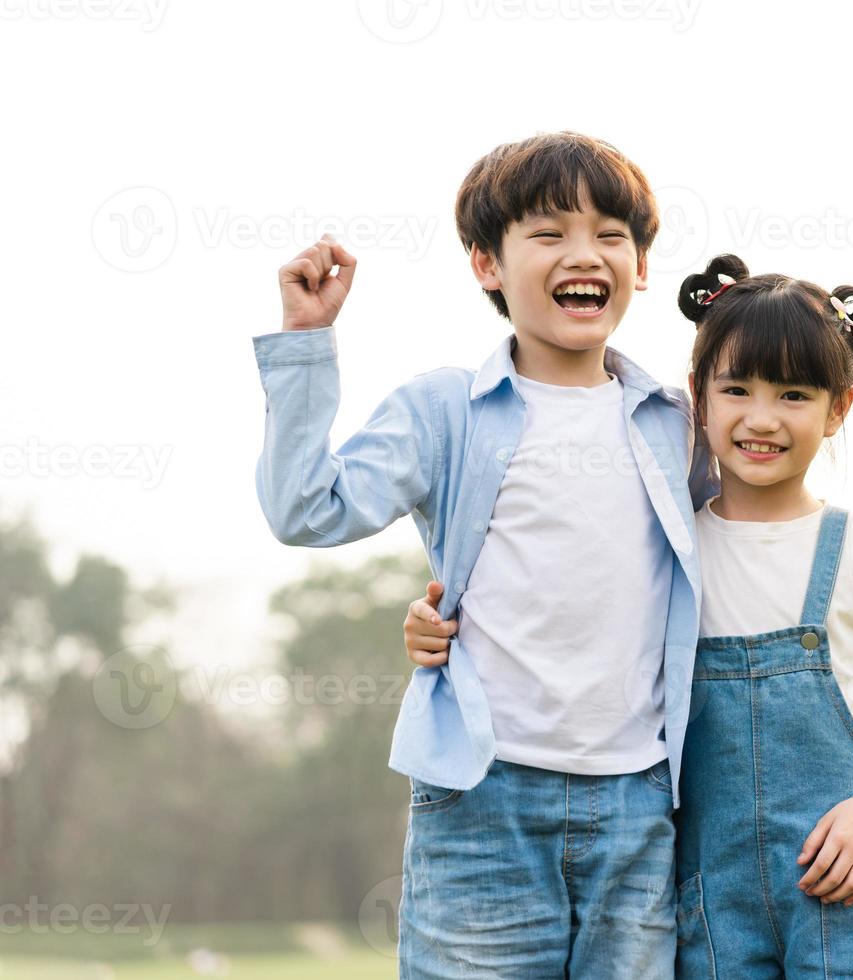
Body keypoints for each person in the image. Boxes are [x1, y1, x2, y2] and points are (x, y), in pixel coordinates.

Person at [404, 253, 853, 978]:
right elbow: (562, 606)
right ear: (696, 395)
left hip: (850, 882)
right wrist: (436, 623)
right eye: (737, 389)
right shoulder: (669, 543)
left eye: (794, 395)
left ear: (838, 409)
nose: (762, 418)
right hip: (709, 899)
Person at [255, 131, 711, 978]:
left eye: (612, 234)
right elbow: (306, 510)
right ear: (485, 264)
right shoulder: (445, 411)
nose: (585, 253)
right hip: (483, 800)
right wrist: (305, 345)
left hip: (642, 805)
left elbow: (765, 540)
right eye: (549, 233)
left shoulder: (678, 423)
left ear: (642, 265)